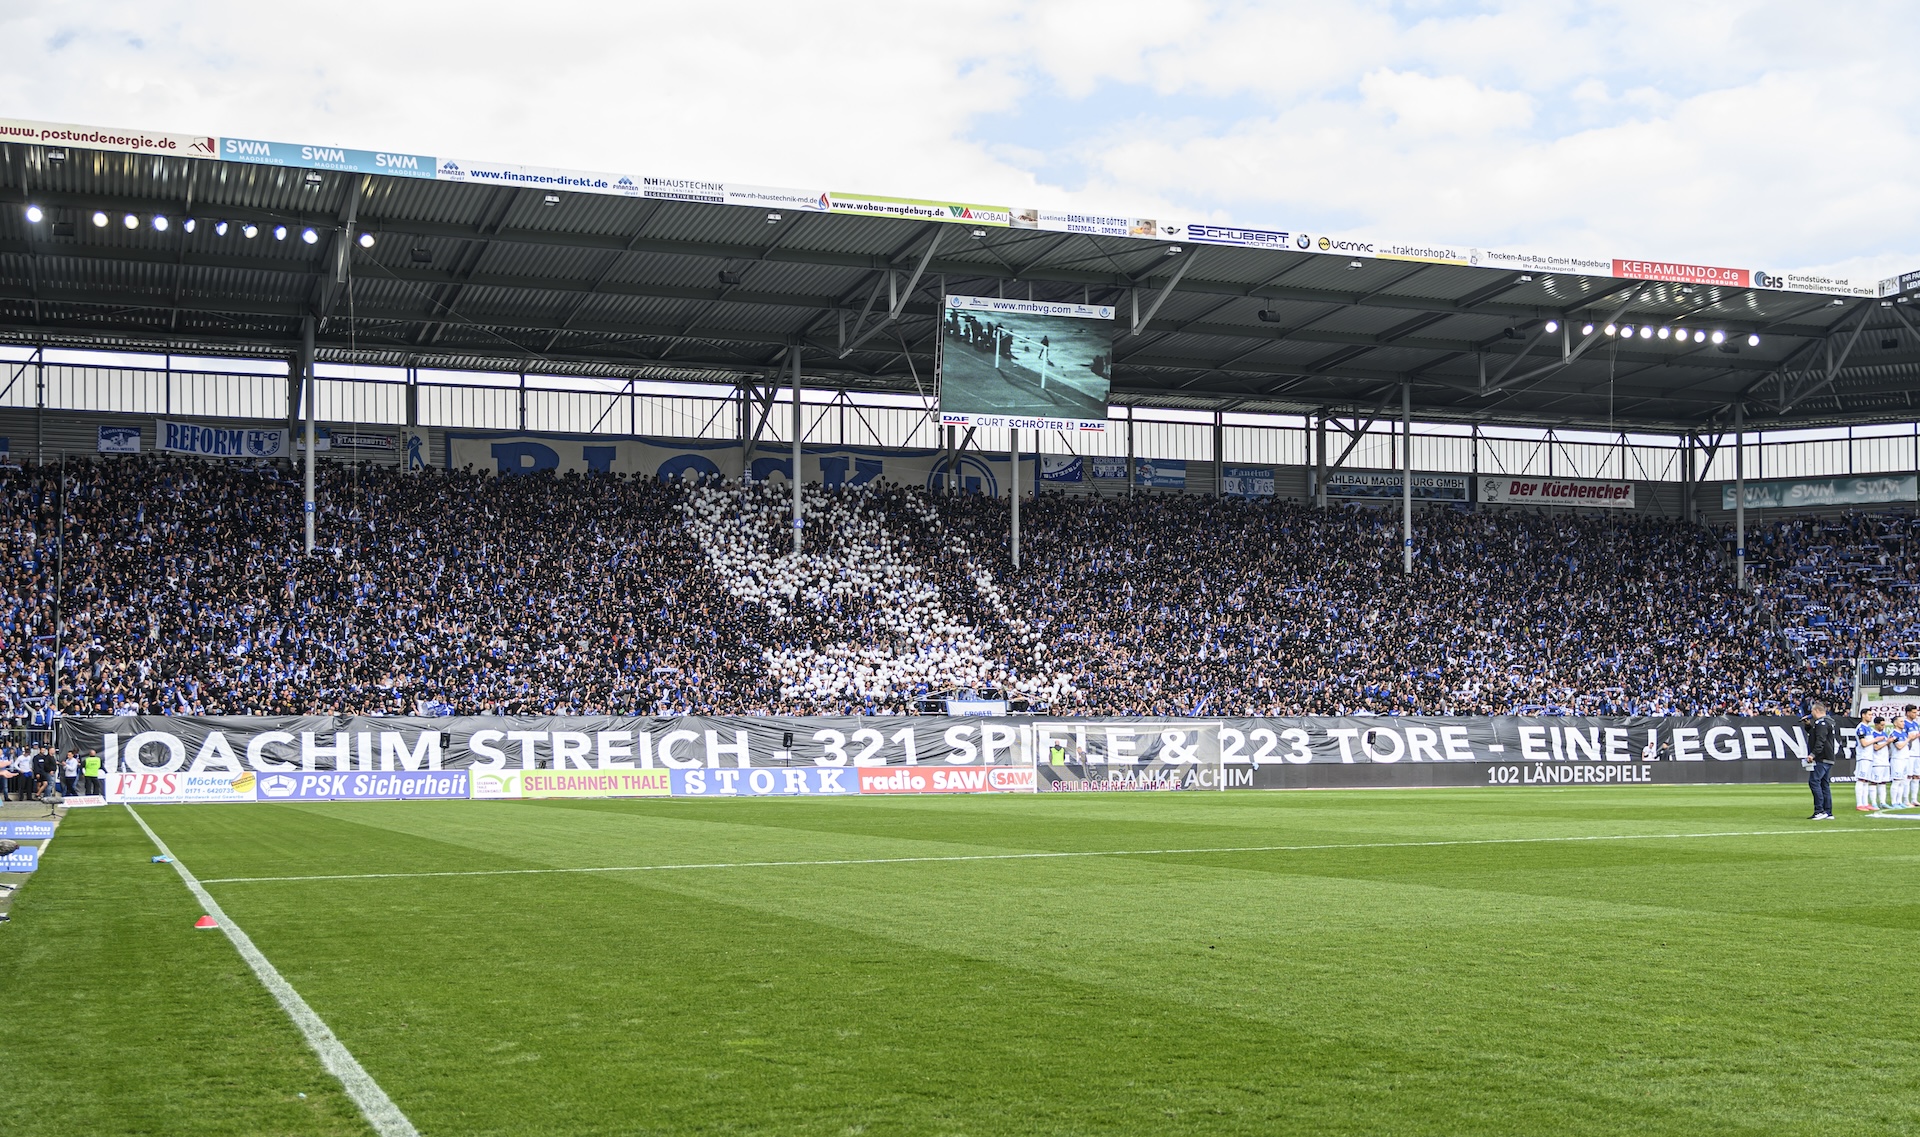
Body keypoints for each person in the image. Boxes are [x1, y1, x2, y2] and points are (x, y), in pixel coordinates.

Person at [1806, 700, 1837, 820]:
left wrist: (1813, 754)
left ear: (1817, 711)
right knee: (1824, 784)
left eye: (1812, 711)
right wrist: (1808, 726)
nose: (1811, 713)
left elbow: (1820, 740)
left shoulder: (1822, 723)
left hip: (1822, 757)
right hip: (1828, 757)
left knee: (1814, 782)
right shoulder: (1829, 722)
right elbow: (1817, 736)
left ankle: (1819, 810)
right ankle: (1828, 811)